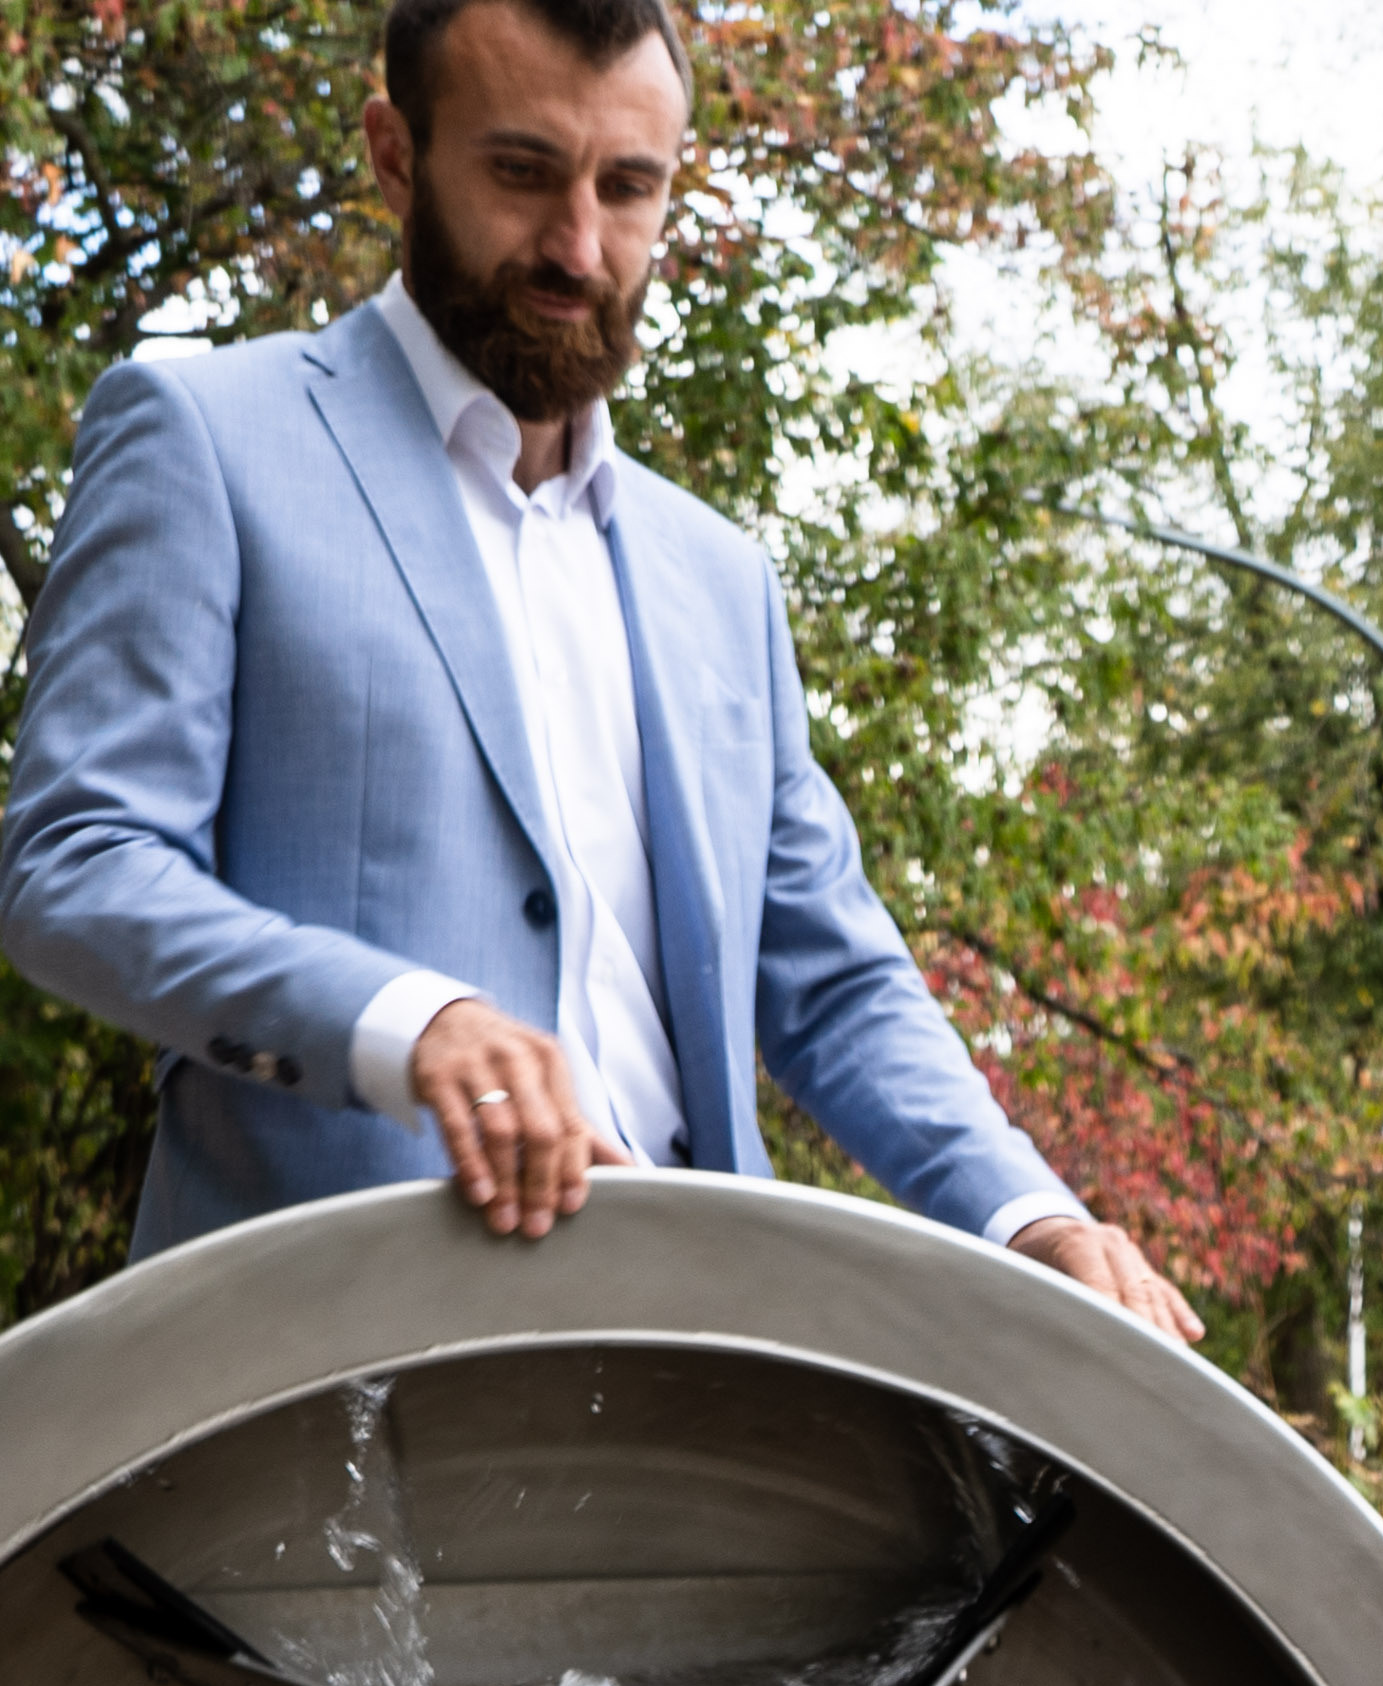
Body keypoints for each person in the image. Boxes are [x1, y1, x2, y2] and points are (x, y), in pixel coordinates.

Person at [0, 0, 1198, 1345]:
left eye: (628, 188)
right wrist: (406, 1023)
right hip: (309, 1381)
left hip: (685, 1377)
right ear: (397, 156)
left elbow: (835, 980)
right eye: (522, 173)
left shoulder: (719, 578)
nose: (580, 246)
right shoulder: (203, 437)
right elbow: (78, 867)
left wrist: (1022, 1215)